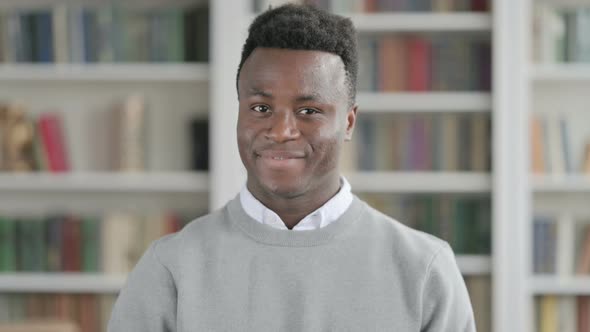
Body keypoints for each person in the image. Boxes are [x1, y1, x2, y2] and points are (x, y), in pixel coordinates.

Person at [108, 4, 476, 332]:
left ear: (348, 123)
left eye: (309, 111)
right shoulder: (171, 267)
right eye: (260, 108)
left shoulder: (424, 269)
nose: (281, 131)